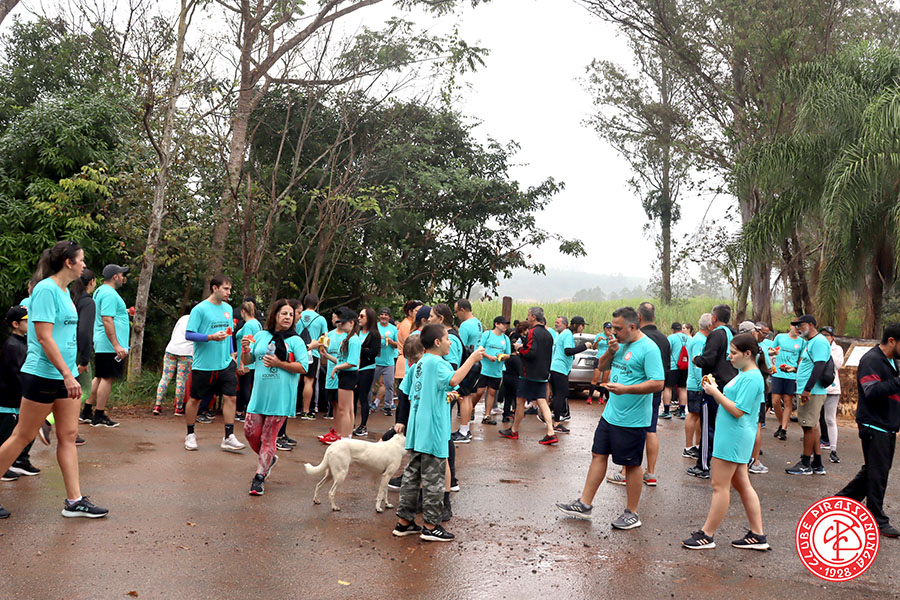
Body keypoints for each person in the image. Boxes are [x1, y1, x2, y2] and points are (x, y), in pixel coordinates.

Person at [0, 241, 109, 518]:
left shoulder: (64, 291)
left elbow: (64, 336)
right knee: (22, 435)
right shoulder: (46, 290)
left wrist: (71, 372)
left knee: (69, 436)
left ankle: (74, 501)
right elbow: (44, 337)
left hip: (66, 375)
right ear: (68, 262)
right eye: (81, 259)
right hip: (43, 374)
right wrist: (67, 374)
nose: (84, 264)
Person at [555, 306, 664, 529]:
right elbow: (601, 365)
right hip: (610, 414)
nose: (613, 332)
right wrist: (611, 351)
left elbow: (658, 383)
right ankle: (584, 504)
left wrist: (626, 389)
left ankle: (632, 513)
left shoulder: (649, 348)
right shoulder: (618, 344)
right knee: (598, 454)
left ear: (632, 326)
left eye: (618, 328)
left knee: (631, 464)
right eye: (612, 327)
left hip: (633, 419)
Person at [391, 323, 484, 542]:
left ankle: (404, 522)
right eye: (447, 338)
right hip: (433, 429)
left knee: (412, 476)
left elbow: (409, 391)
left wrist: (442, 396)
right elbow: (454, 380)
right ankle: (431, 526)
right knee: (434, 479)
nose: (450, 342)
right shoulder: (438, 363)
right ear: (437, 342)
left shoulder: (420, 363)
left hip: (417, 429)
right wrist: (472, 359)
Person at [682, 333, 769, 550]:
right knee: (742, 484)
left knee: (719, 486)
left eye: (733, 353)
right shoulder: (745, 373)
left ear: (747, 354)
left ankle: (707, 534)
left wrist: (714, 392)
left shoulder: (751, 377)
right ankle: (757, 534)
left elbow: (738, 410)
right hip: (733, 435)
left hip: (733, 436)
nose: (729, 357)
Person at [835, 323, 900, 538]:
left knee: (874, 470)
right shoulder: (872, 360)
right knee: (878, 473)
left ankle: (840, 502)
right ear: (892, 341)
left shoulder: (892, 361)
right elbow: (871, 391)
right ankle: (876, 518)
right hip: (874, 424)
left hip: (887, 424)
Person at [240, 299, 309, 496]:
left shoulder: (296, 341)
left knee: (268, 437)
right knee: (250, 432)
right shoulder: (261, 336)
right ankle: (270, 458)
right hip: (259, 394)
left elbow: (303, 367)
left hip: (281, 397)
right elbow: (249, 360)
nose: (288, 317)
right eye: (284, 313)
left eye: (291, 314)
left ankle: (259, 477)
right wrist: (245, 350)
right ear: (275, 315)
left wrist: (279, 363)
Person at [182, 275, 245, 453]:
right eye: (226, 288)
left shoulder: (228, 308)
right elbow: (189, 334)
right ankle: (190, 434)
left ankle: (228, 436)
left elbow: (229, 333)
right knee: (195, 399)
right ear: (215, 288)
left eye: (230, 289)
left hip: (225, 363)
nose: (229, 292)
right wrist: (210, 337)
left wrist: (232, 353)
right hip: (204, 365)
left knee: (231, 397)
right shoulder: (200, 309)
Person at [688, 304, 738, 479]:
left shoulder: (716, 334)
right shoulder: (732, 333)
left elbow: (708, 359)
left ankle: (703, 466)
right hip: (730, 384)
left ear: (714, 318)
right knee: (724, 426)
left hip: (714, 385)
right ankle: (727, 465)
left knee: (708, 426)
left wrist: (696, 359)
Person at [80, 264, 130, 428]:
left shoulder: (101, 291)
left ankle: (87, 411)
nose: (123, 278)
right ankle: (99, 415)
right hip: (110, 344)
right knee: (107, 378)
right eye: (121, 275)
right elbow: (107, 319)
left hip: (104, 342)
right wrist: (116, 344)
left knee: (100, 376)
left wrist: (125, 313)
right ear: (115, 276)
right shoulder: (109, 293)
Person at [499, 306, 558, 445]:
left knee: (520, 401)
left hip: (528, 374)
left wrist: (519, 349)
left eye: (529, 315)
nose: (527, 317)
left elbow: (531, 352)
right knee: (542, 401)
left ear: (534, 317)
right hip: (543, 373)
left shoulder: (532, 332)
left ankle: (514, 430)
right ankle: (551, 432)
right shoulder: (548, 334)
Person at [785, 315, 830, 476]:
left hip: (812, 392)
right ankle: (817, 462)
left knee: (808, 426)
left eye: (801, 325)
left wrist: (807, 389)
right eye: (796, 326)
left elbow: (819, 366)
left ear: (811, 325)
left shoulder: (819, 342)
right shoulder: (811, 342)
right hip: (809, 390)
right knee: (812, 425)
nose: (798, 328)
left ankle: (805, 463)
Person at [1, 306, 39, 490]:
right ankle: (3, 466)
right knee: (6, 435)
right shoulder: (12, 345)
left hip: (18, 400)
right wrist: (25, 395)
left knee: (23, 432)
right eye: (26, 320)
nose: (30, 323)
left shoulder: (23, 342)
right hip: (9, 401)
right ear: (15, 324)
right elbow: (15, 375)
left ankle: (19, 460)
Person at [320, 308, 360, 443]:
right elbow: (342, 360)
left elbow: (352, 362)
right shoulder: (349, 338)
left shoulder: (353, 340)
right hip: (345, 374)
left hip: (348, 375)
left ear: (352, 323)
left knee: (344, 409)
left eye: (343, 322)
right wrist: (327, 356)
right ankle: (346, 437)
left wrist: (336, 368)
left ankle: (345, 437)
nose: (340, 325)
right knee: (347, 409)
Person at [549, 316, 591, 434]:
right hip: (560, 368)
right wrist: (585, 346)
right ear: (577, 325)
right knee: (561, 395)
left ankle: (546, 413)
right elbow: (568, 351)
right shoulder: (567, 334)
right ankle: (556, 423)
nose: (583, 328)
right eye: (582, 325)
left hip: (555, 367)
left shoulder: (562, 334)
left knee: (559, 395)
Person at [452, 299, 483, 442]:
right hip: (476, 362)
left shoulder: (465, 325)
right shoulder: (477, 322)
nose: (456, 314)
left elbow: (460, 346)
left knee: (463, 397)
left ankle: (464, 431)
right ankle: (466, 428)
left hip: (467, 363)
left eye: (456, 311)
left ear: (462, 310)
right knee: (468, 396)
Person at [155, 306, 194, 416]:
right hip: (186, 352)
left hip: (171, 349)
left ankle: (157, 405)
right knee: (181, 380)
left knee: (165, 378)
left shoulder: (182, 318)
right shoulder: (198, 321)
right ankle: (179, 408)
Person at [683, 314, 711, 461]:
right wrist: (703, 383)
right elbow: (697, 365)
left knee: (700, 415)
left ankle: (698, 445)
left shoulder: (701, 339)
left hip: (698, 384)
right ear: (709, 326)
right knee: (693, 414)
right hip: (696, 385)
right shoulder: (699, 340)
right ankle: (688, 447)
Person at [769, 324, 805, 440]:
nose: (797, 329)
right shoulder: (780, 337)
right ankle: (781, 423)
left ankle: (784, 429)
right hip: (778, 373)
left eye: (800, 328)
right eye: (796, 326)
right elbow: (770, 351)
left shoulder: (802, 342)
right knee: (775, 401)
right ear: (791, 326)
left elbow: (801, 359)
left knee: (788, 401)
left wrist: (795, 369)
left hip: (791, 375)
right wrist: (773, 353)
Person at [475, 316, 512, 425]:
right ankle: (470, 408)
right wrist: (489, 357)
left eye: (506, 324)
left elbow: (509, 354)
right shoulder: (487, 334)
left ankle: (487, 415)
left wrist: (504, 356)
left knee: (492, 392)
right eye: (503, 324)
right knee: (479, 392)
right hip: (484, 369)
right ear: (496, 324)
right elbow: (480, 349)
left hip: (497, 370)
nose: (505, 326)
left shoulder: (506, 339)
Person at [297, 294, 328, 420]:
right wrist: (321, 349)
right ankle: (306, 410)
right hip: (313, 353)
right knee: (309, 381)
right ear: (317, 304)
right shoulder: (321, 319)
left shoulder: (298, 315)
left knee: (295, 380)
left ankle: (293, 408)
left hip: (297, 351)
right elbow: (324, 339)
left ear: (305, 302)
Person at [354, 307, 381, 437]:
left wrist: (360, 349)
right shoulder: (356, 332)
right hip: (354, 367)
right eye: (359, 315)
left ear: (369, 318)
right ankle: (350, 423)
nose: (359, 318)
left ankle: (363, 425)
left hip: (367, 368)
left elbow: (374, 352)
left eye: (362, 316)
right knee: (353, 397)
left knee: (363, 396)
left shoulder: (374, 334)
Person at [819, 326, 844, 464]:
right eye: (822, 335)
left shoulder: (837, 349)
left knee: (830, 419)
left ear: (832, 337)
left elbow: (838, 364)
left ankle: (833, 450)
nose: (825, 338)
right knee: (814, 419)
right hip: (817, 388)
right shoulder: (815, 346)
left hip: (832, 388)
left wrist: (826, 350)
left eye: (827, 335)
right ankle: (812, 450)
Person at [234, 301, 262, 422]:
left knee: (245, 387)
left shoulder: (248, 325)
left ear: (243, 312)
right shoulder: (257, 323)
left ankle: (252, 411)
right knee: (247, 387)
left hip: (247, 361)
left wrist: (241, 363)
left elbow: (245, 344)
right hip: (253, 360)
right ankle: (241, 411)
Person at [373, 308, 400, 415]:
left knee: (389, 385)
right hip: (375, 361)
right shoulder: (374, 327)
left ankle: (387, 406)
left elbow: (398, 344)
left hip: (389, 362)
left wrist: (391, 342)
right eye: (382, 314)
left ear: (389, 317)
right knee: (371, 384)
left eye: (386, 315)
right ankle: (369, 405)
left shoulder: (393, 329)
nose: (383, 316)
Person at [662, 322, 690, 420]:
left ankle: (666, 411)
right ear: (681, 329)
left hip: (673, 367)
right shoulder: (689, 338)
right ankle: (682, 411)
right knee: (683, 388)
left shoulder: (671, 338)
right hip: (685, 367)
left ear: (673, 330)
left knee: (668, 388)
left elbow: (666, 351)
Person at [394, 300, 423, 392]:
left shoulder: (410, 324)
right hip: (405, 365)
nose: (420, 313)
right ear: (410, 312)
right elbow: (412, 345)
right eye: (417, 311)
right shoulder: (406, 325)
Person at [588, 322, 613, 405]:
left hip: (608, 359)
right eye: (607, 328)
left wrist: (611, 339)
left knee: (604, 379)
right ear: (604, 328)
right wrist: (597, 341)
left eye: (610, 328)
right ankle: (590, 397)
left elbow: (615, 347)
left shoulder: (612, 336)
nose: (608, 329)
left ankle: (601, 397)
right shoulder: (599, 335)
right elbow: (594, 347)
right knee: (595, 378)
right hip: (599, 358)